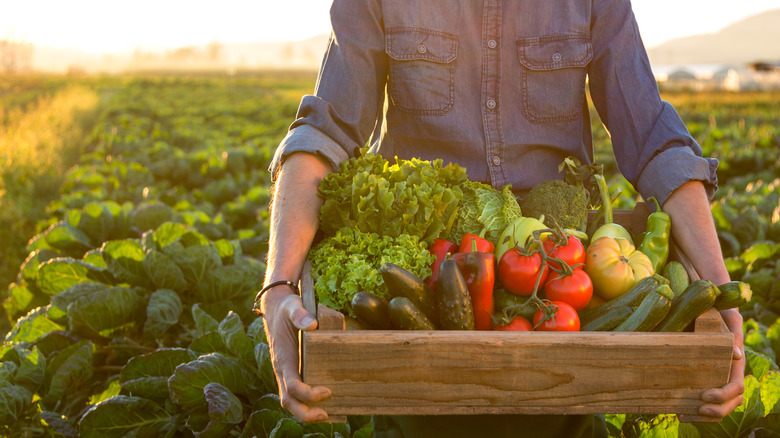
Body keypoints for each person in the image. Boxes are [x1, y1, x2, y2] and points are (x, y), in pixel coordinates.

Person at [257, 0, 745, 436]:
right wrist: (278, 286)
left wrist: (721, 296)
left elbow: (656, 141)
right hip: (425, 288)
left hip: (560, 282)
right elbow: (323, 134)